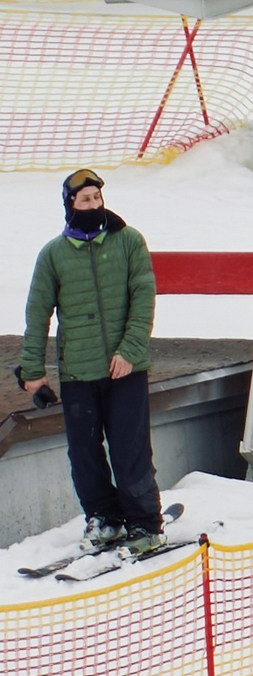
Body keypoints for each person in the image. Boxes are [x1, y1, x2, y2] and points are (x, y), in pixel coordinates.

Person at [18, 168, 161, 553]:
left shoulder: (129, 241)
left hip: (125, 370)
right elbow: (37, 314)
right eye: (85, 200)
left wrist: (130, 351)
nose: (93, 205)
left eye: (97, 198)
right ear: (71, 205)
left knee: (130, 450)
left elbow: (143, 299)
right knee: (84, 454)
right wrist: (33, 371)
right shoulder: (54, 254)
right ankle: (104, 518)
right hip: (78, 371)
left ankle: (145, 523)